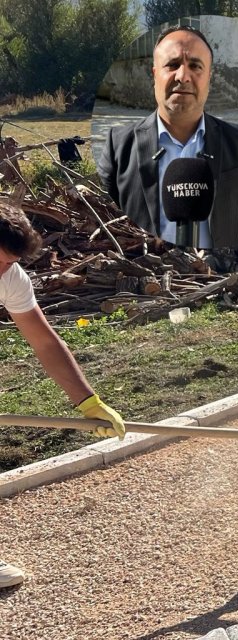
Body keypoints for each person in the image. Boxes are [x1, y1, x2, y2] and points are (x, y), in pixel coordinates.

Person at [0, 203, 127, 589]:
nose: (2, 272)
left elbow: (43, 342)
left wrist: (88, 402)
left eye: (7, 264)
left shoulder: (10, 277)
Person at [96, 25, 238, 250]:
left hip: (221, 280)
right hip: (144, 278)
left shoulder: (237, 140)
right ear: (155, 73)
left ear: (209, 76)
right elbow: (100, 222)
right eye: (172, 65)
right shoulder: (118, 144)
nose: (183, 76)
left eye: (195, 66)